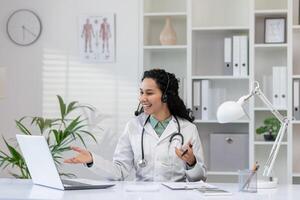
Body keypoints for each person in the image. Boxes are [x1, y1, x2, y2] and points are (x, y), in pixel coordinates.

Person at [64, 69, 207, 182]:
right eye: (141, 92)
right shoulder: (133, 126)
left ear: (165, 96)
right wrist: (91, 159)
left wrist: (192, 162)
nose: (142, 98)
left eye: (149, 93)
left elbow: (200, 179)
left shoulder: (188, 129)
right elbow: (119, 171)